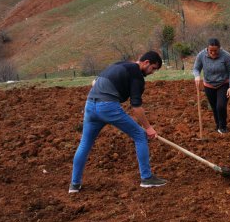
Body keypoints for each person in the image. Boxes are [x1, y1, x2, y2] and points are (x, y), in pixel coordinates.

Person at [69, 51, 166, 193]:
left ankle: (74, 185)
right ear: (146, 63)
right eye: (153, 68)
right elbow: (136, 107)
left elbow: (94, 82)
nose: (152, 72)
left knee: (85, 143)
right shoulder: (137, 76)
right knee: (140, 135)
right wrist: (148, 128)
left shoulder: (120, 64)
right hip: (108, 107)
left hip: (90, 105)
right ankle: (146, 178)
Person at [192, 38, 230, 134]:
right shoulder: (201, 55)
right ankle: (218, 126)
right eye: (210, 50)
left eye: (215, 51)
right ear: (207, 49)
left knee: (221, 106)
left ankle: (223, 127)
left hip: (223, 84)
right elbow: (196, 68)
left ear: (219, 49)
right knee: (214, 107)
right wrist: (197, 76)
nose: (213, 53)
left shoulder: (226, 56)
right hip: (208, 85)